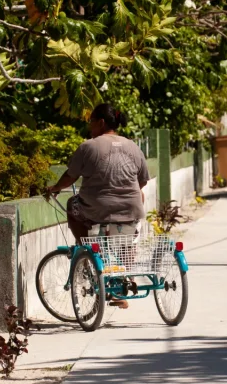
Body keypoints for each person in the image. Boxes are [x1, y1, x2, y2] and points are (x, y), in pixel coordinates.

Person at [45, 104, 149, 307]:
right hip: (131, 208)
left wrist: (55, 187)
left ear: (101, 123)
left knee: (72, 204)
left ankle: (85, 247)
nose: (90, 127)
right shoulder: (133, 146)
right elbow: (142, 181)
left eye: (91, 122)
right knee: (126, 239)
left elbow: (70, 176)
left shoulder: (89, 146)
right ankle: (125, 282)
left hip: (96, 209)